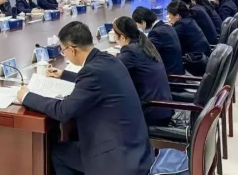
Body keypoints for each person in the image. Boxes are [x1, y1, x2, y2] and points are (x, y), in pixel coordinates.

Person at [16, 21, 154, 175]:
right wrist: (63, 74)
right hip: (136, 150)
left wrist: (27, 96)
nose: (65, 54)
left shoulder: (91, 72)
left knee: (58, 154)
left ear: (72, 49)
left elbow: (63, 111)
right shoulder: (109, 60)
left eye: (63, 51)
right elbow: (95, 81)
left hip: (116, 161)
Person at [112, 16, 173, 126]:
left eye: (115, 36)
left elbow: (110, 70)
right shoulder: (144, 44)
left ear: (122, 37)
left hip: (150, 110)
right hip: (163, 107)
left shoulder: (131, 52)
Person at [132, 7, 184, 75]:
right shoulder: (166, 27)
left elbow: (144, 52)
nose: (138, 27)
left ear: (143, 22)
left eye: (137, 25)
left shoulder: (156, 33)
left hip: (169, 74)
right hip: (176, 69)